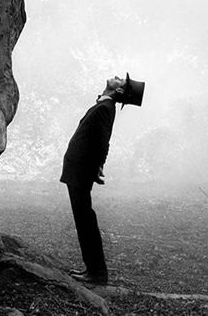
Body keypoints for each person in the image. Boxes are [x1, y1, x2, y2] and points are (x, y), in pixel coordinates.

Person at [60, 73, 145, 285]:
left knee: (85, 220)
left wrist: (98, 165)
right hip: (79, 168)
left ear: (119, 90)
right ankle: (93, 269)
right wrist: (98, 165)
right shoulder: (104, 105)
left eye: (121, 81)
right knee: (84, 219)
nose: (117, 77)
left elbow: (102, 142)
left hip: (81, 169)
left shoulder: (106, 108)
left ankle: (97, 273)